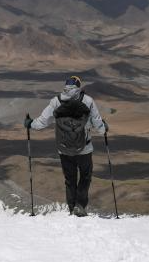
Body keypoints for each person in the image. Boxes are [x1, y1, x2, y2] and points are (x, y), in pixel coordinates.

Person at [25, 75, 108, 217]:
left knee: (70, 180)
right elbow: (97, 124)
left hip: (64, 149)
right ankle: (80, 206)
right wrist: (104, 128)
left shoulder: (56, 101)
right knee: (85, 177)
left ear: (65, 87)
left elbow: (43, 121)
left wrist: (30, 124)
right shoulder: (88, 101)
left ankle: (71, 209)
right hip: (85, 148)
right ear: (79, 86)